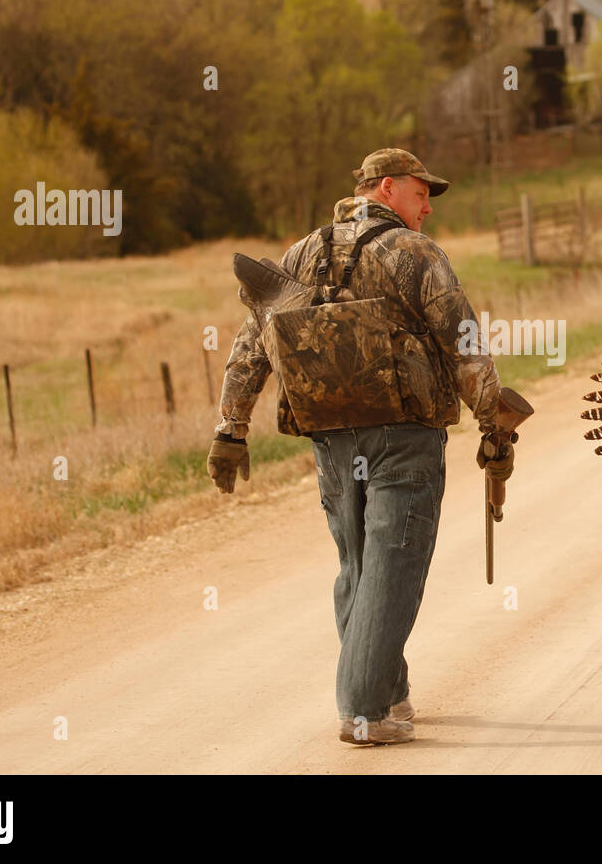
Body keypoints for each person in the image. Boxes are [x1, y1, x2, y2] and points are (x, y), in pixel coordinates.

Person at [207, 148, 513, 746]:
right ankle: (366, 711)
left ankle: (389, 693)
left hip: (330, 435)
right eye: (422, 193)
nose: (427, 207)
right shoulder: (415, 254)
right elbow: (465, 342)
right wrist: (494, 427)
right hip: (404, 435)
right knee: (393, 566)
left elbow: (254, 342)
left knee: (360, 566)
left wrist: (230, 428)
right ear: (387, 188)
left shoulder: (301, 253)